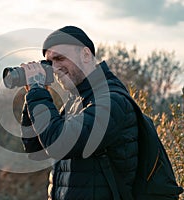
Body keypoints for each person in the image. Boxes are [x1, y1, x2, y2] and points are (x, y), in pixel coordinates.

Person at [20, 26, 139, 200]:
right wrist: (33, 92)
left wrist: (37, 92)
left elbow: (58, 142)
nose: (54, 68)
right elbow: (35, 148)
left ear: (85, 54)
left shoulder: (112, 101)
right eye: (49, 63)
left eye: (60, 58)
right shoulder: (74, 103)